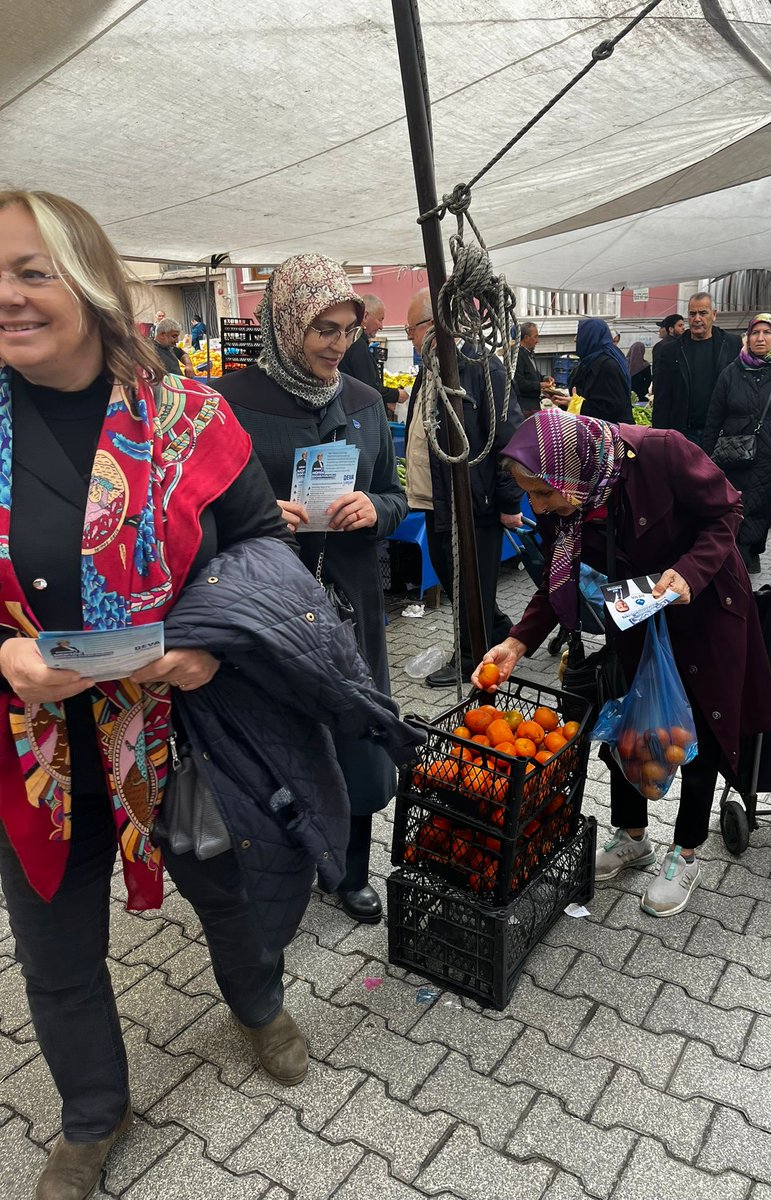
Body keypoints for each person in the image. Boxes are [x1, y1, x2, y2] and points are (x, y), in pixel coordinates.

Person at [0, 189, 420, 1200]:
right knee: (55, 946)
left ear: (92, 280)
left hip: (181, 724)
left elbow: (264, 548)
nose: (5, 296)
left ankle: (260, 1004)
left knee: (229, 892)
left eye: (29, 270)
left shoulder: (190, 415)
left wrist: (206, 652)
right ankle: (92, 1114)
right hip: (35, 747)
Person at [471, 408, 771, 917]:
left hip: (702, 609)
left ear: (572, 466)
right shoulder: (564, 504)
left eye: (543, 492)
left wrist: (689, 571)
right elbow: (560, 577)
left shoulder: (660, 451)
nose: (537, 506)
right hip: (633, 617)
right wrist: (517, 643)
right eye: (530, 493)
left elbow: (727, 510)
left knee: (698, 729)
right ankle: (633, 837)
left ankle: (686, 852)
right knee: (627, 725)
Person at [214, 254, 407, 925]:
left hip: (348, 604)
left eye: (346, 329)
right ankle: (285, 875)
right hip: (265, 609)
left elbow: (396, 492)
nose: (336, 343)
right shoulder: (230, 402)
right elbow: (196, 511)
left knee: (355, 734)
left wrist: (374, 509)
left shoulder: (363, 401)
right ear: (285, 322)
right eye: (322, 328)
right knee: (280, 745)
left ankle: (352, 871)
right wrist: (261, 513)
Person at [404, 287, 524, 687]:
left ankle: (471, 658)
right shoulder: (430, 368)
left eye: (411, 329)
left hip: (473, 504)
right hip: (434, 502)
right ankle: (503, 631)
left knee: (469, 583)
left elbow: (509, 439)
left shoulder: (482, 368)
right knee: (457, 581)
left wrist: (509, 500)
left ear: (433, 326)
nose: (408, 338)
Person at [702, 313, 771, 573]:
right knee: (736, 505)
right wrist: (705, 455)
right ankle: (738, 553)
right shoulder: (732, 372)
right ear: (747, 337)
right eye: (754, 333)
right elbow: (715, 415)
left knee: (761, 506)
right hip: (734, 452)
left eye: (766, 332)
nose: (760, 338)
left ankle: (749, 552)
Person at [652, 292, 741, 443]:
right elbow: (662, 397)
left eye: (703, 313)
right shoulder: (671, 350)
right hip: (684, 433)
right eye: (692, 314)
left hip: (721, 432)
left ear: (713, 314)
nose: (697, 319)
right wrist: (659, 437)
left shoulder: (732, 344)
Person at [339, 292, 407, 416]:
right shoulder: (358, 345)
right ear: (365, 316)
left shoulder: (353, 341)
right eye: (380, 319)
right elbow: (369, 389)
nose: (381, 326)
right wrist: (397, 395)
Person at [568, 318, 632, 425]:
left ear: (590, 337)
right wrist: (565, 402)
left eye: (579, 334)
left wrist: (577, 404)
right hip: (593, 431)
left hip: (607, 435)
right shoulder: (588, 362)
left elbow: (611, 409)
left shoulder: (607, 366)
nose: (575, 339)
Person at [513, 321, 549, 417]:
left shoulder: (529, 354)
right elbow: (519, 382)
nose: (537, 341)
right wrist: (539, 385)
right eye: (535, 337)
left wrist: (544, 378)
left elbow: (532, 375)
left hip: (533, 405)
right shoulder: (518, 355)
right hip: (525, 407)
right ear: (526, 338)